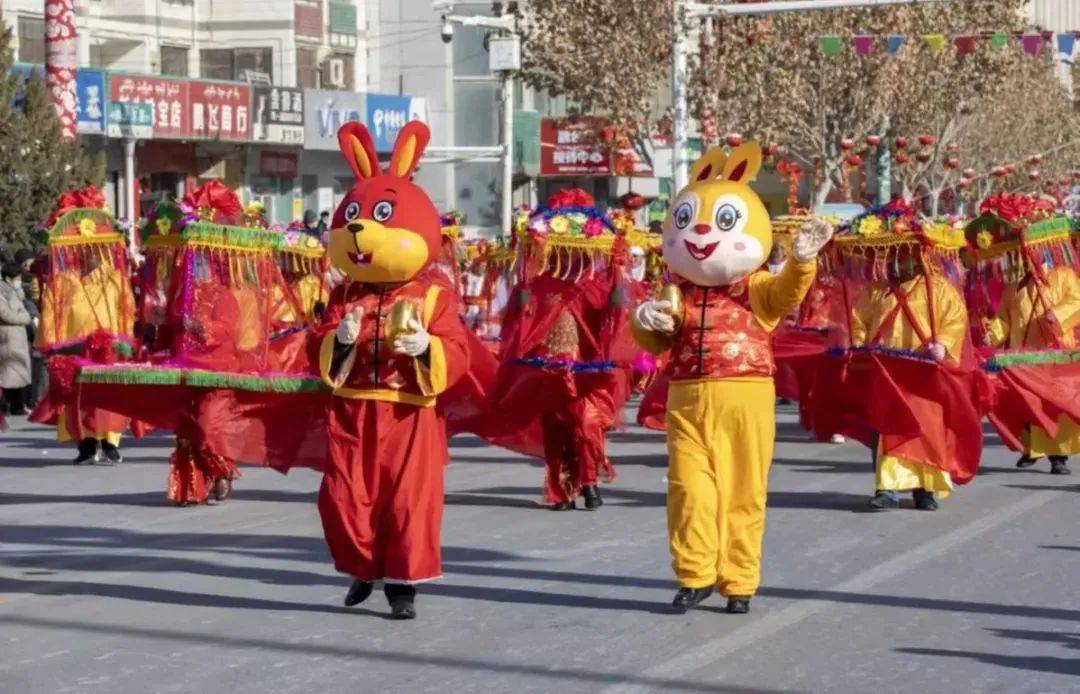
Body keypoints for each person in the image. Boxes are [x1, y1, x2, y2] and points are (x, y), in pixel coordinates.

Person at [633, 143, 831, 615]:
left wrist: (802, 260)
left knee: (744, 490)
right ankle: (695, 573)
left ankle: (739, 579)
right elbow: (655, 341)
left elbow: (786, 295)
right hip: (686, 398)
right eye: (688, 222)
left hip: (746, 397)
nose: (700, 233)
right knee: (688, 489)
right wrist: (646, 319)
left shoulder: (756, 288)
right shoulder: (674, 291)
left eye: (719, 222)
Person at [0, 262, 33, 415]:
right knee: (9, 373)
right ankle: (10, 404)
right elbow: (5, 314)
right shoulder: (2, 293)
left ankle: (17, 404)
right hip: (8, 337)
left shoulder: (16, 292)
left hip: (18, 337)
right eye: (17, 278)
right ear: (8, 278)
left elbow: (23, 309)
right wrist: (25, 318)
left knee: (18, 372)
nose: (19, 281)